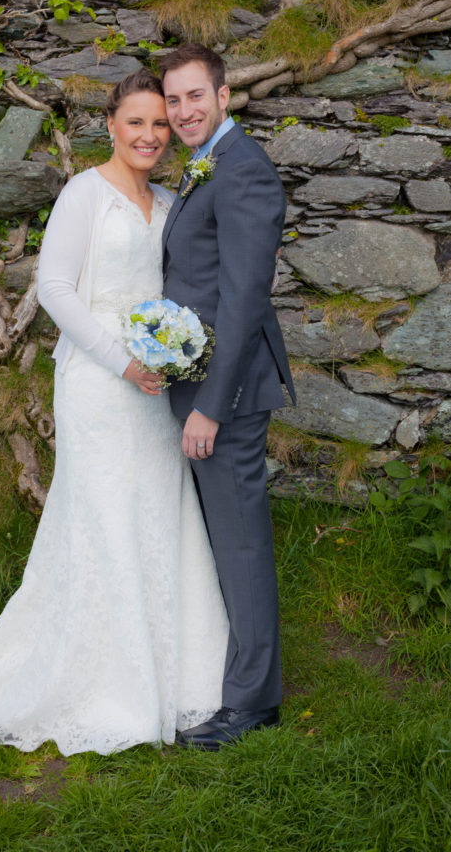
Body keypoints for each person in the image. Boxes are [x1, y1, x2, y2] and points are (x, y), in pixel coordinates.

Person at [0, 68, 229, 756]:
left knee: (157, 516)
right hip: (102, 385)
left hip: (156, 388)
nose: (151, 135)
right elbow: (57, 290)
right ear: (109, 125)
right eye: (137, 122)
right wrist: (124, 360)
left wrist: (169, 353)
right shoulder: (83, 194)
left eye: (161, 124)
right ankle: (103, 680)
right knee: (101, 516)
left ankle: (179, 669)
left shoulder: (168, 199)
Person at [160, 43, 296, 751]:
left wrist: (210, 405)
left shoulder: (242, 170)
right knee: (223, 540)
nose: (183, 111)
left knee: (241, 546)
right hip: (203, 382)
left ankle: (251, 704)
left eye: (194, 96)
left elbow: (243, 299)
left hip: (229, 393)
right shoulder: (206, 163)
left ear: (223, 96)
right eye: (173, 99)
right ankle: (236, 676)